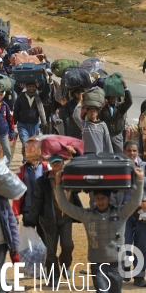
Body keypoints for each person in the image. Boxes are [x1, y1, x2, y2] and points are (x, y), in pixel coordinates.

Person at [55, 166, 145, 293]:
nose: (100, 202)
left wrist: (140, 180)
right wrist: (58, 184)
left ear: (109, 199)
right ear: (94, 200)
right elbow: (65, 206)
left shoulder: (121, 213)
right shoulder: (87, 216)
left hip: (117, 264)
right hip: (97, 265)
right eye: (97, 199)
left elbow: (135, 202)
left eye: (103, 198)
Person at [24, 155, 82, 285]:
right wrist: (31, 219)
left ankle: (65, 264)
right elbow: (37, 202)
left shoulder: (70, 178)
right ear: (50, 163)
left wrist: (74, 156)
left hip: (66, 217)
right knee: (50, 249)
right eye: (54, 162)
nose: (56, 164)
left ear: (63, 163)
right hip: (48, 219)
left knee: (67, 245)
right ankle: (53, 276)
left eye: (59, 162)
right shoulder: (42, 181)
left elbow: (79, 185)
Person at [111, 140, 146, 287]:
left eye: (134, 151)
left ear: (138, 152)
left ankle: (139, 275)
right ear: (124, 152)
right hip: (123, 210)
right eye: (129, 151)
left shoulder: (144, 167)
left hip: (140, 210)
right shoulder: (118, 167)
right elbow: (112, 189)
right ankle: (125, 267)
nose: (132, 153)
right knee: (123, 242)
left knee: (141, 243)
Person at [13, 77, 49, 155]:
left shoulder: (39, 96)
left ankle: (31, 160)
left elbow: (47, 90)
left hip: (35, 125)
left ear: (36, 87)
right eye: (29, 86)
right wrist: (12, 124)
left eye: (33, 86)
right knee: (25, 143)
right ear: (26, 86)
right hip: (22, 124)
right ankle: (25, 161)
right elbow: (16, 111)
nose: (31, 88)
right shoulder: (21, 97)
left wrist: (47, 78)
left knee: (33, 144)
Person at [98, 79, 132, 152]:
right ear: (108, 98)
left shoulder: (121, 107)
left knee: (119, 156)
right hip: (106, 136)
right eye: (111, 97)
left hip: (117, 136)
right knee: (106, 157)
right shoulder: (103, 108)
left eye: (114, 97)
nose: (113, 99)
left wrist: (125, 87)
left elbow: (129, 101)